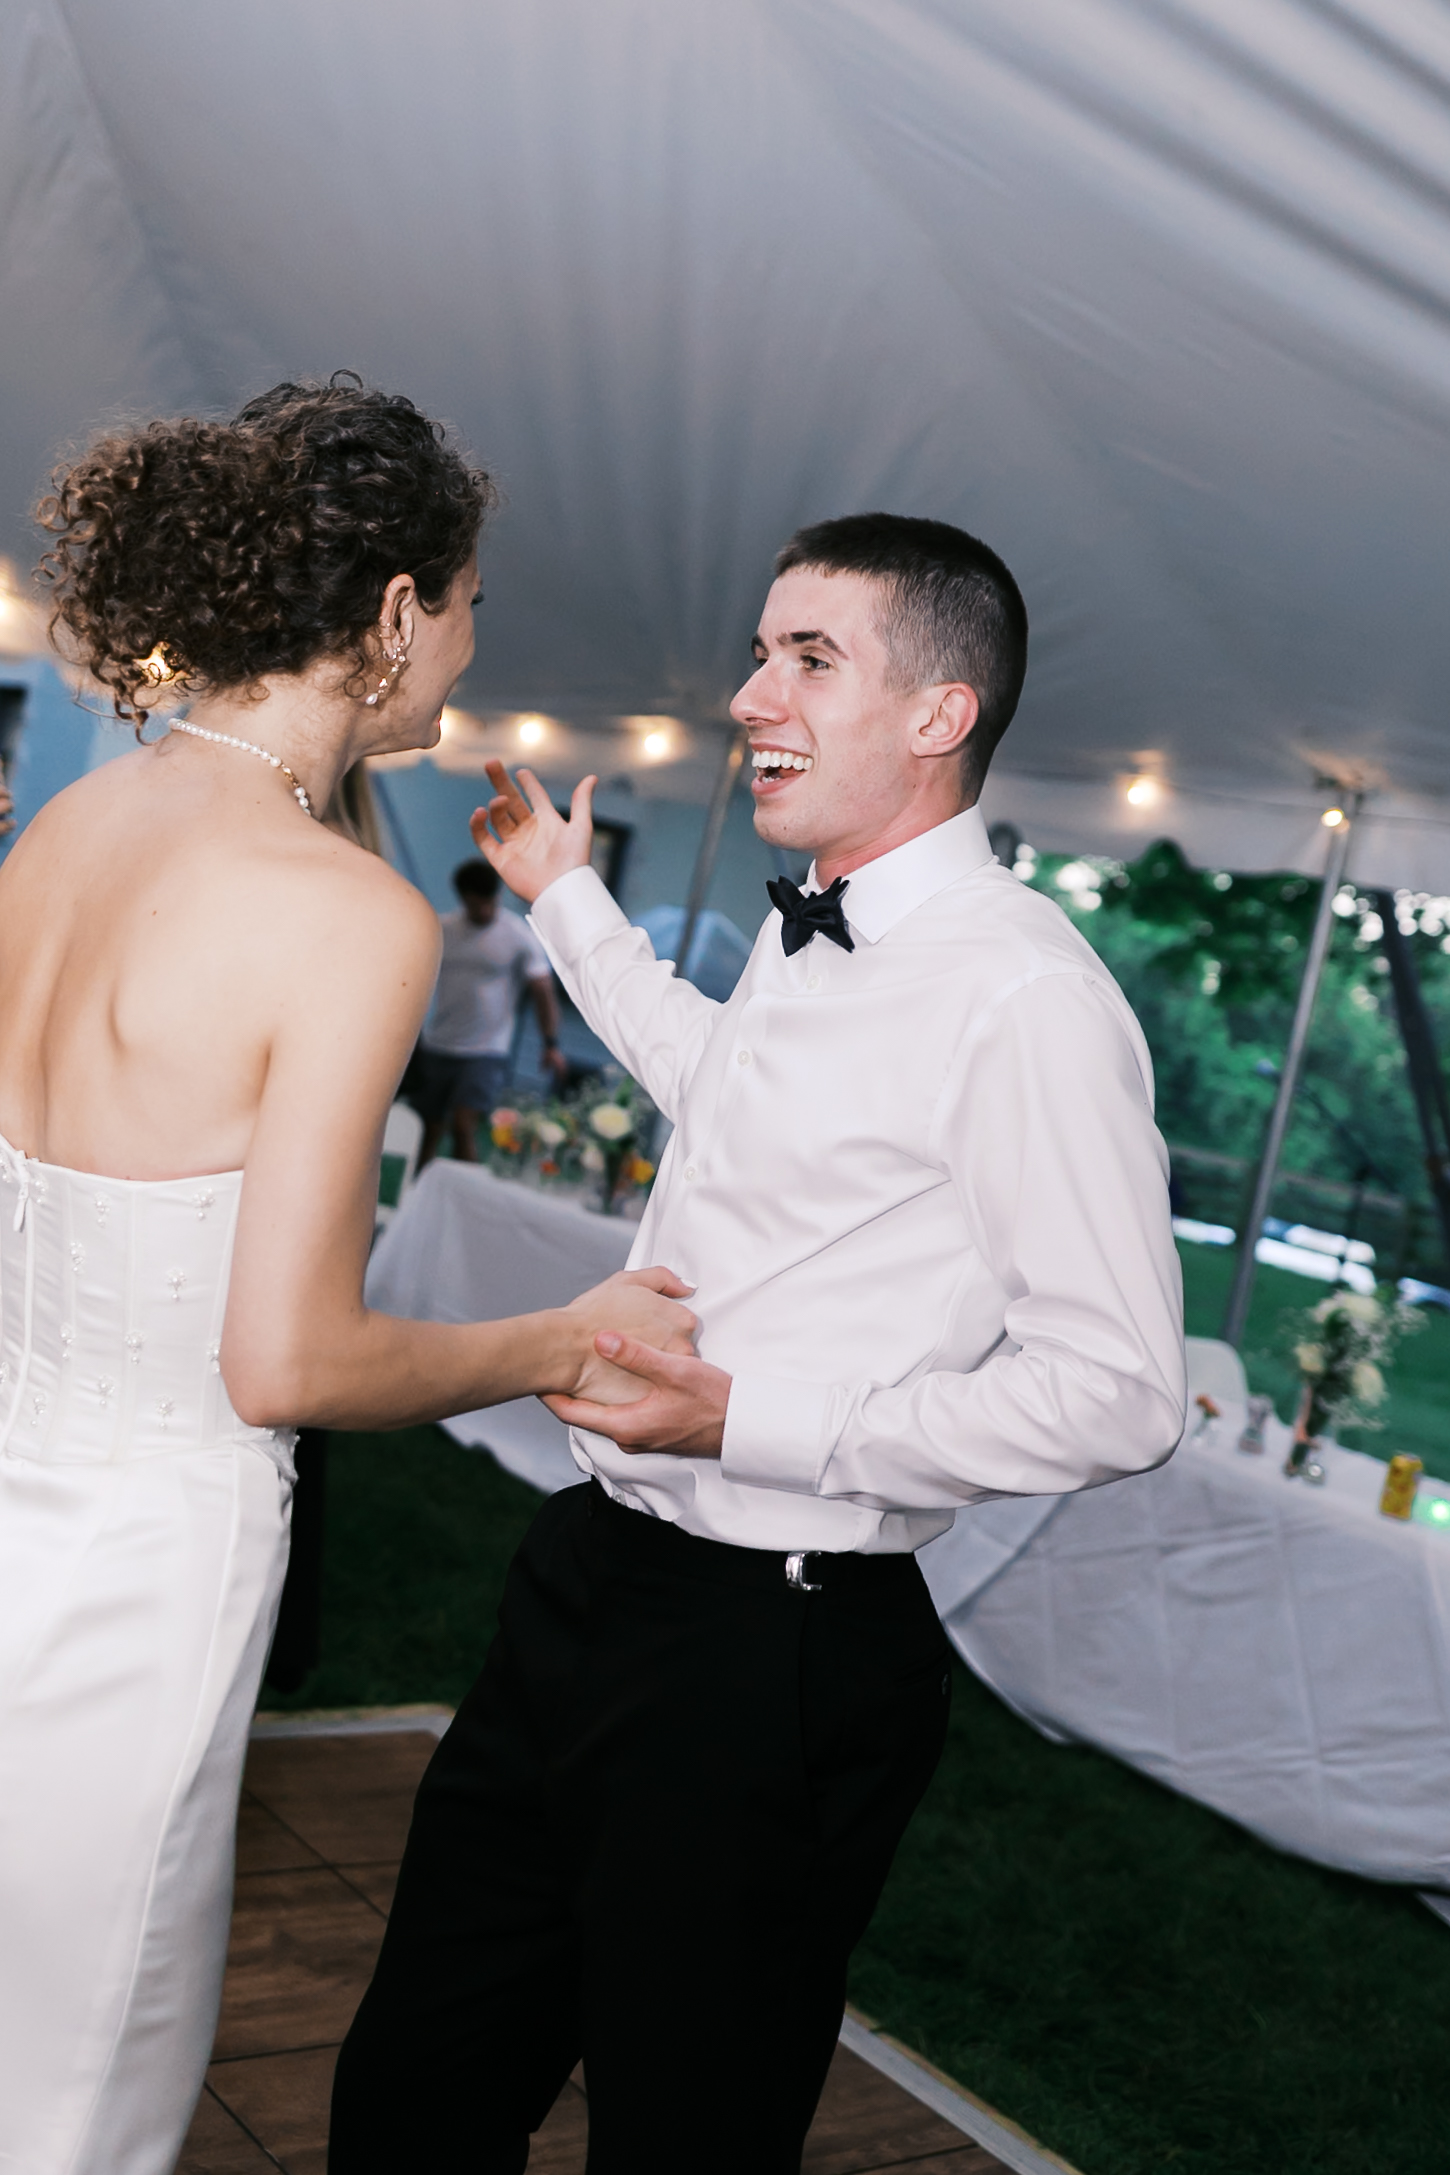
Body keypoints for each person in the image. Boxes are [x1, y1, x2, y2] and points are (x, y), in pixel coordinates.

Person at [330, 513, 1186, 2173]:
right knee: (414, 2089)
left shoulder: (1026, 997)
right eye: (757, 652)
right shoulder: (823, 927)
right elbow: (718, 1082)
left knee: (684, 2133)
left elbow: (1126, 1390)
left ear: (938, 714)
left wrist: (753, 1418)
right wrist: (568, 901)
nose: (747, 696)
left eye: (808, 658)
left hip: (774, 1654)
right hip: (592, 1578)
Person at [0, 375, 695, 2175]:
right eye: (465, 604)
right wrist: (559, 1338)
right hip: (143, 1562)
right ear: (393, 609)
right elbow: (289, 1361)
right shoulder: (347, 914)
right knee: (78, 2076)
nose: (465, 647)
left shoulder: (65, 830)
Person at [411, 857, 568, 1168]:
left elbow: (543, 991)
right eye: (475, 905)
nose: (483, 911)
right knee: (427, 1128)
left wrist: (551, 1043)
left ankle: (466, 1195)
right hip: (439, 1043)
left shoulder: (518, 936)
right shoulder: (443, 930)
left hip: (487, 1049)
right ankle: (418, 1190)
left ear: (497, 896)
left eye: (488, 903)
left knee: (463, 1125)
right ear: (463, 898)